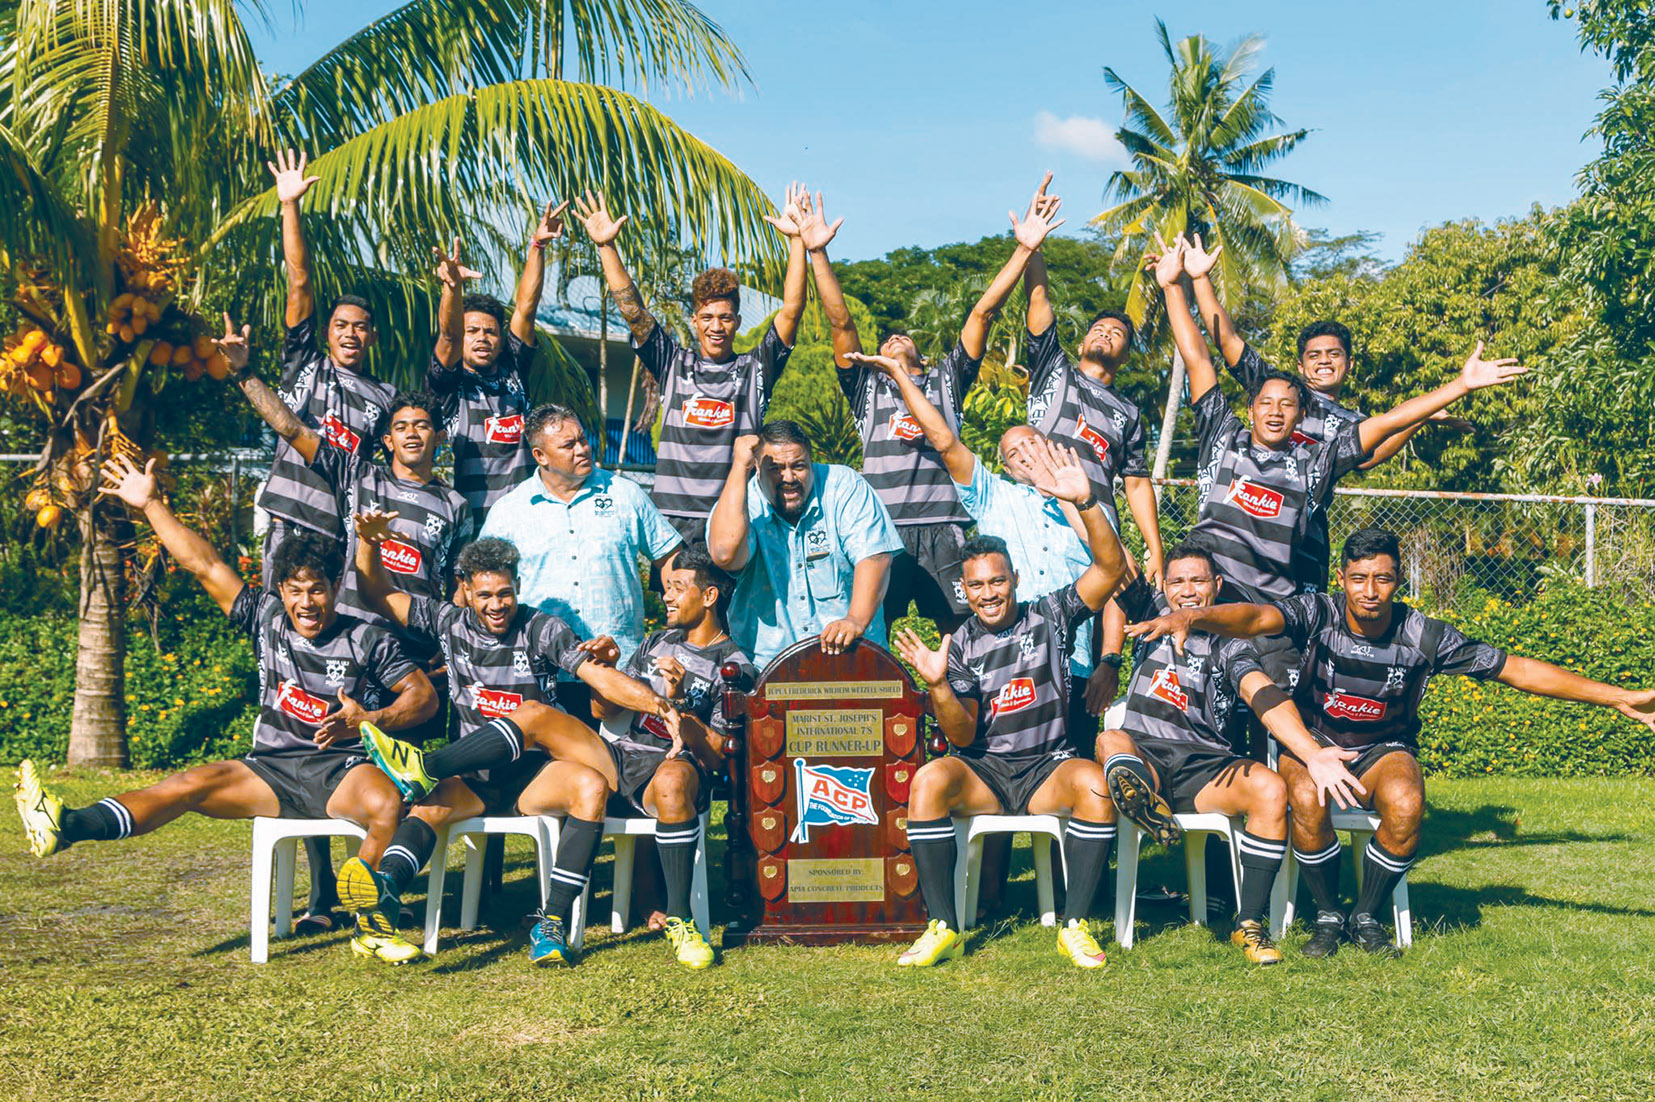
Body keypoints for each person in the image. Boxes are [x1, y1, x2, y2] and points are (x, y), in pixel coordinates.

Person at [1126, 526, 1655, 957]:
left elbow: (1514, 670)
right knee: (1305, 795)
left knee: (1406, 802)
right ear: (1342, 579)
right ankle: (1328, 914)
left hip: (1383, 750)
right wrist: (1194, 615)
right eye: (1359, 579)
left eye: (1382, 579)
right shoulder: (1317, 613)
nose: (1370, 591)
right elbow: (1256, 617)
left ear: (1398, 580)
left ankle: (1365, 913)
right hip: (1314, 744)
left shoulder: (1423, 634)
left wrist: (1618, 698)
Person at [15, 455, 436, 964]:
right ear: (281, 592)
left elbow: (423, 698)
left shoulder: (365, 637)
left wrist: (369, 720)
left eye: (317, 589)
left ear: (334, 589)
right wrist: (150, 504)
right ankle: (67, 825)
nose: (307, 602)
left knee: (385, 802)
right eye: (295, 591)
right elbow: (205, 565)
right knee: (187, 785)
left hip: (341, 770)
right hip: (272, 770)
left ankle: (371, 914)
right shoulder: (266, 618)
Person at [1155, 235, 1529, 692]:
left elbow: (1382, 433)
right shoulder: (1245, 415)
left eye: (1333, 354)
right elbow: (1206, 352)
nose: (1275, 410)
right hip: (1218, 578)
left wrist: (1453, 391)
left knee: (1275, 683)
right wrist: (1185, 282)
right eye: (1266, 402)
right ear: (1254, 404)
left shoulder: (1325, 450)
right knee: (1194, 676)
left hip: (1284, 576)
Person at [346, 525, 681, 966]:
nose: (497, 604)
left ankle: (551, 923)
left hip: (533, 774)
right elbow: (376, 594)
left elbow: (597, 676)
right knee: (429, 807)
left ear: (518, 586)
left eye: (505, 593)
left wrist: (656, 703)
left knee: (588, 785)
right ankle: (386, 890)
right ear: (466, 590)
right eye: (485, 595)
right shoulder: (447, 621)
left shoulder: (541, 627)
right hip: (474, 776)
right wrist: (368, 544)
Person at [889, 441, 1129, 969]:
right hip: (989, 772)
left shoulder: (1051, 614)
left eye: (998, 581)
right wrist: (938, 685)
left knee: (1094, 784)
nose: (989, 593)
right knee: (928, 781)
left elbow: (1111, 569)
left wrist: (1086, 502)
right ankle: (944, 927)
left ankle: (1075, 925)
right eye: (977, 585)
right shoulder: (959, 645)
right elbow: (961, 736)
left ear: (1015, 579)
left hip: (1047, 767)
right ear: (964, 589)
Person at [1098, 543, 1367, 964]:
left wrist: (1313, 754)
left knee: (1270, 789)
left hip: (1205, 767)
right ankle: (1145, 799)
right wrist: (1085, 507)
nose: (1187, 590)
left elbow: (1261, 694)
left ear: (1218, 585)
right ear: (1164, 587)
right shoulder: (1149, 612)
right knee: (1110, 741)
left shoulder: (1230, 644)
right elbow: (1112, 557)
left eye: (1198, 580)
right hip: (1145, 755)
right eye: (1177, 581)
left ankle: (1249, 924)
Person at [845, 351, 1112, 754]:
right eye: (1014, 454)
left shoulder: (1088, 504)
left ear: (1050, 446)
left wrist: (1110, 660)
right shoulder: (993, 495)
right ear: (1006, 468)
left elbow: (1114, 573)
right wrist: (901, 375)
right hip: (996, 666)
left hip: (1070, 668)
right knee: (986, 765)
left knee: (1073, 769)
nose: (1026, 455)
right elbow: (944, 441)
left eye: (1032, 444)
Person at [834, 181, 1066, 634]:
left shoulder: (945, 382)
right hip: (884, 529)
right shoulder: (869, 391)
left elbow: (982, 314)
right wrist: (817, 251)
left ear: (922, 359)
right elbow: (839, 320)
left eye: (903, 337)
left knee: (963, 634)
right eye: (886, 340)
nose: (894, 337)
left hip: (946, 528)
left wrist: (1024, 249)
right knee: (870, 633)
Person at [1178, 232, 1468, 589]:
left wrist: (1422, 417)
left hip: (1301, 539)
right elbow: (1226, 340)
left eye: (1334, 354)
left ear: (1349, 363)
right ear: (1300, 366)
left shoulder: (1351, 422)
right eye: (1314, 355)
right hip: (1238, 534)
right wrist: (1200, 278)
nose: (1325, 361)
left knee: (1294, 614)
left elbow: (1374, 452)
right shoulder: (1274, 386)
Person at [572, 188, 808, 543]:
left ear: (737, 322)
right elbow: (633, 312)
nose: (716, 327)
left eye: (725, 318)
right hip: (672, 520)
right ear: (694, 320)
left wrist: (797, 241)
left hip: (733, 515)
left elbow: (792, 311)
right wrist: (606, 246)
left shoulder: (755, 370)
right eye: (707, 317)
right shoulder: (673, 364)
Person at [479, 403, 683, 717]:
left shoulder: (625, 495)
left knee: (620, 751)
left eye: (583, 439)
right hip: (541, 674)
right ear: (540, 456)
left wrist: (678, 623)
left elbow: (671, 558)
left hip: (620, 671)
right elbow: (481, 580)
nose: (582, 449)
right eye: (569, 445)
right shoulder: (508, 511)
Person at [257, 149, 396, 581]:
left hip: (339, 529)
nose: (350, 333)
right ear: (326, 332)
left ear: (372, 337)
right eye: (341, 325)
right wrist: (290, 205)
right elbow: (299, 279)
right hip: (287, 518)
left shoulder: (387, 397)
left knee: (328, 618)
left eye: (360, 327)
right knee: (278, 613)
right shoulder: (305, 362)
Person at [706, 420, 901, 670]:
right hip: (769, 667)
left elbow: (874, 557)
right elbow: (725, 554)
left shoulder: (844, 485)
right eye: (776, 469)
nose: (789, 478)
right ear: (757, 467)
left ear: (811, 461)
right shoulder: (741, 501)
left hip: (853, 659)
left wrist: (855, 619)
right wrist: (739, 468)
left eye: (798, 466)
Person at [427, 199, 569, 518]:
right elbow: (449, 336)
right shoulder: (449, 383)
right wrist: (451, 288)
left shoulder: (513, 370)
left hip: (526, 518)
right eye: (472, 331)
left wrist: (537, 246)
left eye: (490, 332)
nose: (482, 337)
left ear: (501, 339)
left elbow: (525, 310)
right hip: (471, 520)